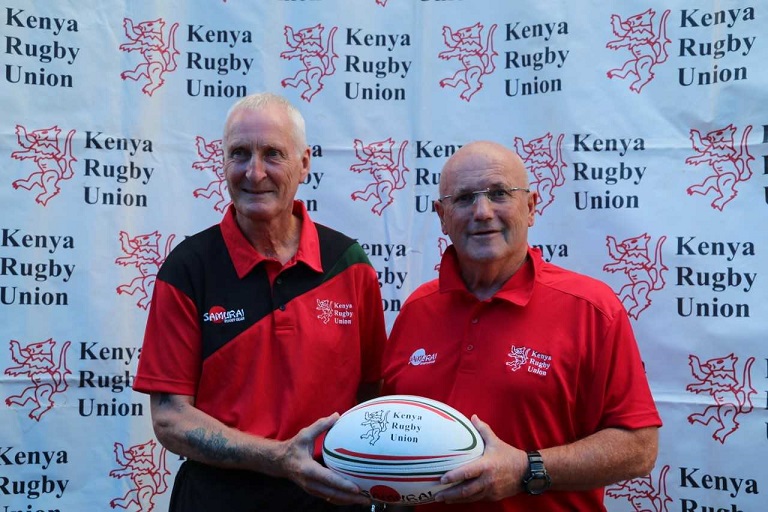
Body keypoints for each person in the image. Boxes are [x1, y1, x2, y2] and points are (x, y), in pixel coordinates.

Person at [133, 92, 387, 511]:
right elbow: (170, 418)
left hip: (331, 498)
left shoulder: (349, 264)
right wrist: (279, 459)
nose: (255, 172)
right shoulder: (188, 268)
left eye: (273, 154)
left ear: (304, 163)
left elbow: (373, 396)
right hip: (216, 500)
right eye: (240, 154)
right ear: (223, 162)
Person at [381, 141, 661, 511]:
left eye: (499, 194)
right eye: (464, 199)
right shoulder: (417, 310)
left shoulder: (591, 308)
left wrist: (527, 469)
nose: (482, 212)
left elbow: (639, 448)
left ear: (530, 207)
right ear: (442, 216)